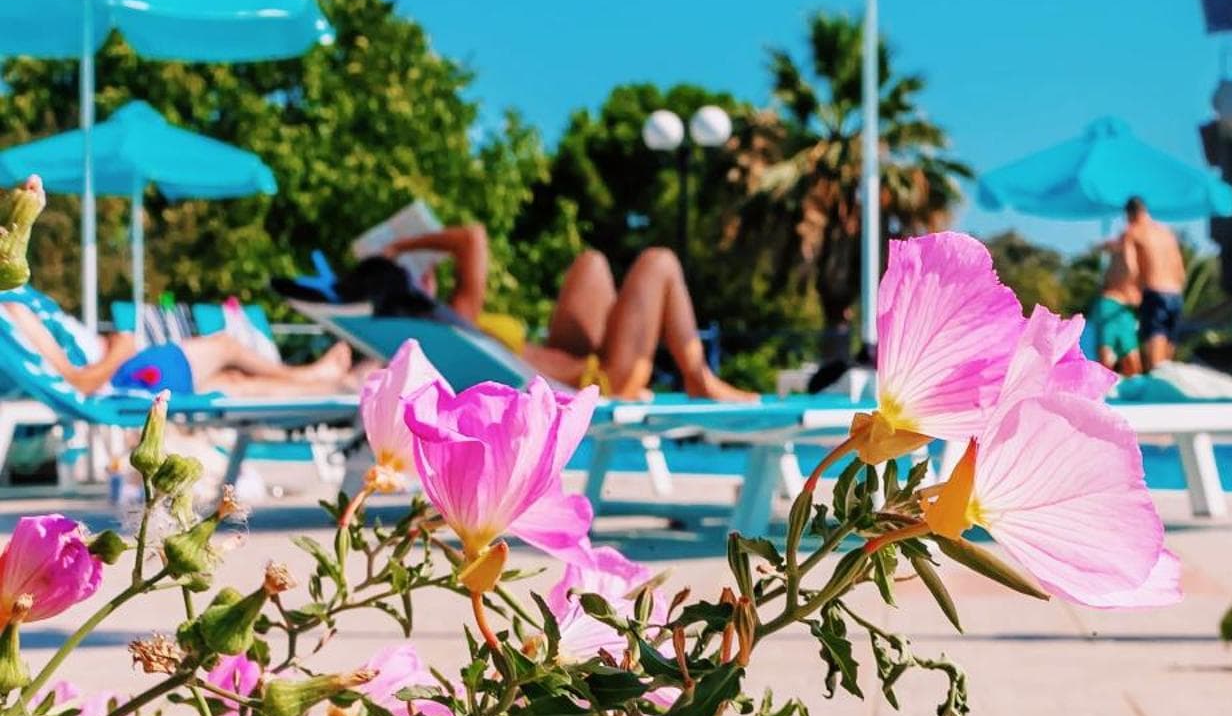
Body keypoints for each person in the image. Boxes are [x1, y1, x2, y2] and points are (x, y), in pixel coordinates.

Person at [380, 225, 752, 402]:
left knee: (591, 262)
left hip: (571, 361)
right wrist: (401, 245)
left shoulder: (447, 328)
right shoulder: (455, 318)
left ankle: (691, 374)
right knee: (660, 261)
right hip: (603, 381)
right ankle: (698, 378)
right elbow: (471, 237)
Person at [0, 298, 358, 399]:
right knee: (224, 345)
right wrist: (121, 348)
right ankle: (307, 374)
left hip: (125, 368)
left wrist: (117, 345)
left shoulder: (19, 304)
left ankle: (333, 385)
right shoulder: (13, 311)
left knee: (234, 383)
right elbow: (79, 382)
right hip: (124, 376)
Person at [1117, 196, 1187, 372]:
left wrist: (1130, 292)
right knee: (1167, 362)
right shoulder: (1166, 233)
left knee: (1156, 364)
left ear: (1129, 214)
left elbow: (1130, 268)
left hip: (1154, 292)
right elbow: (1180, 269)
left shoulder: (1132, 232)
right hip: (1175, 294)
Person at [1079, 241, 1142, 374]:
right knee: (1107, 361)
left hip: (1123, 311)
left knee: (1132, 365)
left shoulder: (1130, 256)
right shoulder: (1124, 251)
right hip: (1110, 305)